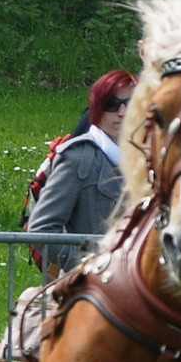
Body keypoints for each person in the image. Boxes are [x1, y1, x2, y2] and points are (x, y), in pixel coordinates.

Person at [27, 70, 135, 276]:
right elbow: (42, 229)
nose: (122, 112)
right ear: (97, 109)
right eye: (113, 104)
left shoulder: (151, 156)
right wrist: (86, 267)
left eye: (130, 103)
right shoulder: (78, 157)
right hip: (94, 289)